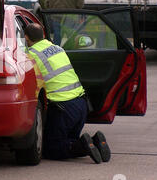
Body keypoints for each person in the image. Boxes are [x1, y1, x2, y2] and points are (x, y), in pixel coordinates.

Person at [24, 23, 111, 164]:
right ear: (44, 35)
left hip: (63, 109)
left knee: (52, 149)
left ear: (26, 38)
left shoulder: (30, 55)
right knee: (67, 141)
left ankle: (84, 146)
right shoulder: (58, 48)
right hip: (81, 105)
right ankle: (95, 141)